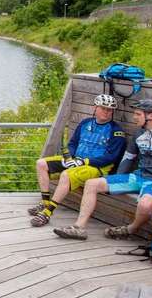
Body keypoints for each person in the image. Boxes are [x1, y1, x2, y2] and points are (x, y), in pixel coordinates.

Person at [54, 99, 152, 240]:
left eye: (138, 114)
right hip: (137, 177)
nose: (134, 117)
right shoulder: (139, 133)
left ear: (151, 115)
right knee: (92, 184)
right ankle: (79, 228)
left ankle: (130, 229)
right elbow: (129, 157)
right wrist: (116, 179)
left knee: (144, 205)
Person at [28, 94, 127, 227]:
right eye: (103, 108)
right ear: (95, 108)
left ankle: (48, 212)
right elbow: (73, 144)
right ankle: (45, 202)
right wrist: (68, 158)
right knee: (41, 163)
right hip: (76, 159)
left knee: (66, 175)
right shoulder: (85, 123)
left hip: (96, 167)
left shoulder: (116, 131)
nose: (106, 111)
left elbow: (111, 157)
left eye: (109, 110)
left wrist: (83, 162)